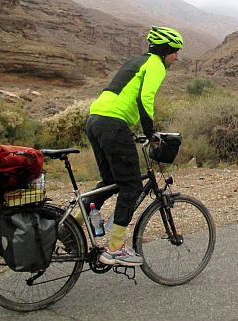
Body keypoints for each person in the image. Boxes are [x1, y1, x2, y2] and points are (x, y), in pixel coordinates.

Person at [84, 26, 184, 266]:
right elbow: (144, 97)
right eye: (175, 52)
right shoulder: (157, 65)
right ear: (165, 50)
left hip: (95, 119)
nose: (177, 57)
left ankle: (73, 224)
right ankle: (115, 249)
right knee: (131, 186)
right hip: (114, 124)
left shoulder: (136, 61)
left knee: (110, 182)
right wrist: (150, 133)